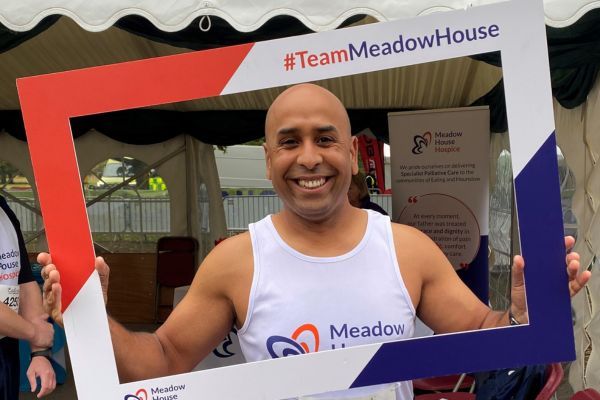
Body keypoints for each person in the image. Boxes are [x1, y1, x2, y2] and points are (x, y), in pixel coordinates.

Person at [40, 84, 590, 398]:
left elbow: (482, 335)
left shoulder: (406, 248)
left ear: (350, 152)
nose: (308, 157)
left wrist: (524, 314)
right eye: (289, 142)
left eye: (324, 138)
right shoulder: (236, 260)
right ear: (268, 157)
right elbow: (161, 360)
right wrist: (90, 316)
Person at [0, 195, 56, 399]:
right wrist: (33, 332)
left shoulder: (3, 211)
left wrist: (39, 352)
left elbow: (23, 281)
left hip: (5, 353)